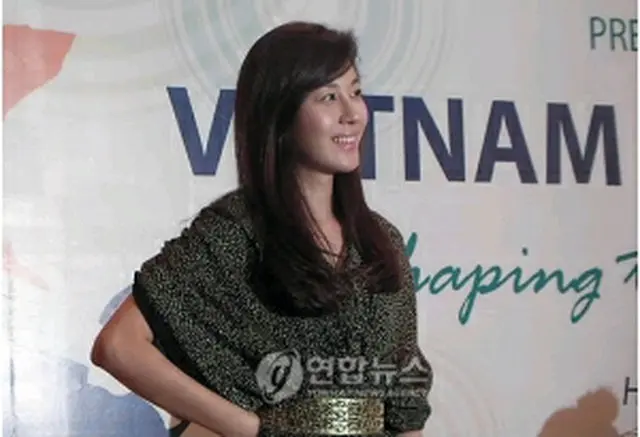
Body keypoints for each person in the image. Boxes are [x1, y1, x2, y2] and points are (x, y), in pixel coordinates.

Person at [90, 20, 433, 437]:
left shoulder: (380, 241)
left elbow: (404, 406)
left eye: (356, 92)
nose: (352, 114)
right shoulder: (237, 233)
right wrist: (250, 428)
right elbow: (118, 346)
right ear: (281, 114)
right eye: (329, 97)